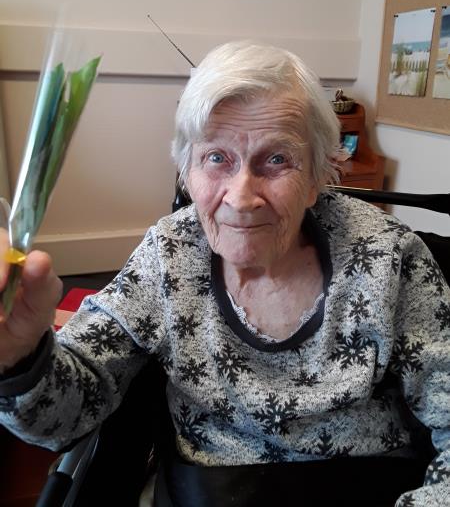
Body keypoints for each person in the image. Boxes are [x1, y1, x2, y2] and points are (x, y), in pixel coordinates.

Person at [0, 41, 449, 507]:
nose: (241, 197)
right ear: (186, 171)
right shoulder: (168, 256)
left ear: (317, 176)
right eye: (216, 158)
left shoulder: (388, 256)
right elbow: (63, 414)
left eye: (277, 159)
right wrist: (19, 358)